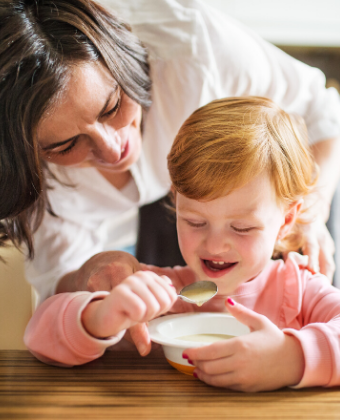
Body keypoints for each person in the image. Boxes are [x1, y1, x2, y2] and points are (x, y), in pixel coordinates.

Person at [1, 0, 340, 337]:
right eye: (65, 144)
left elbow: (323, 113)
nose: (112, 148)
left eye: (112, 107)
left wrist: (313, 207)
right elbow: (55, 295)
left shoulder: (196, 48)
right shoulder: (37, 178)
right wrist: (89, 283)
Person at [25, 97, 340, 393]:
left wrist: (291, 358)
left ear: (286, 220)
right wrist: (99, 317)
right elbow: (39, 335)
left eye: (241, 227)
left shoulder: (300, 290)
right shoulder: (162, 291)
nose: (214, 245)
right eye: (195, 222)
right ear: (176, 202)